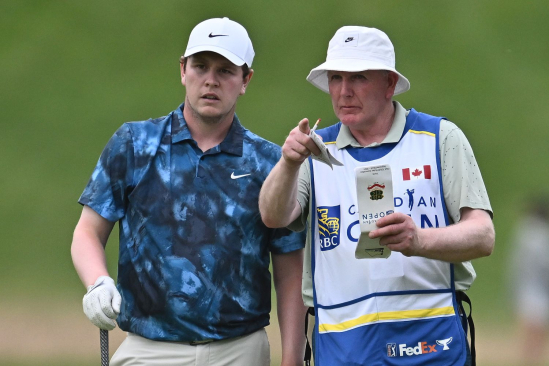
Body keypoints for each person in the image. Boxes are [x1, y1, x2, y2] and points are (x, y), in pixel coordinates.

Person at [71, 17, 307, 366]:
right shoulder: (135, 144)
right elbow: (87, 231)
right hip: (149, 347)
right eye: (200, 66)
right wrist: (98, 282)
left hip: (240, 349)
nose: (210, 80)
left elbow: (290, 271)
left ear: (246, 80)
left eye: (226, 70)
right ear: (183, 70)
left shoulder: (270, 162)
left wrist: (292, 359)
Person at [259, 25, 495, 365]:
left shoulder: (439, 138)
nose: (344, 91)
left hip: (431, 343)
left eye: (358, 78)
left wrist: (419, 239)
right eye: (336, 78)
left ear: (390, 84)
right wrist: (288, 163)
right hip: (343, 347)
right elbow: (273, 215)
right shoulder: (314, 151)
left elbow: (483, 235)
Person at [509, 196, 549, 365]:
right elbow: (544, 262)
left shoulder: (523, 231)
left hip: (525, 282)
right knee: (536, 325)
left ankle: (529, 357)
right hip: (537, 284)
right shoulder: (539, 234)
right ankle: (532, 357)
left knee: (529, 323)